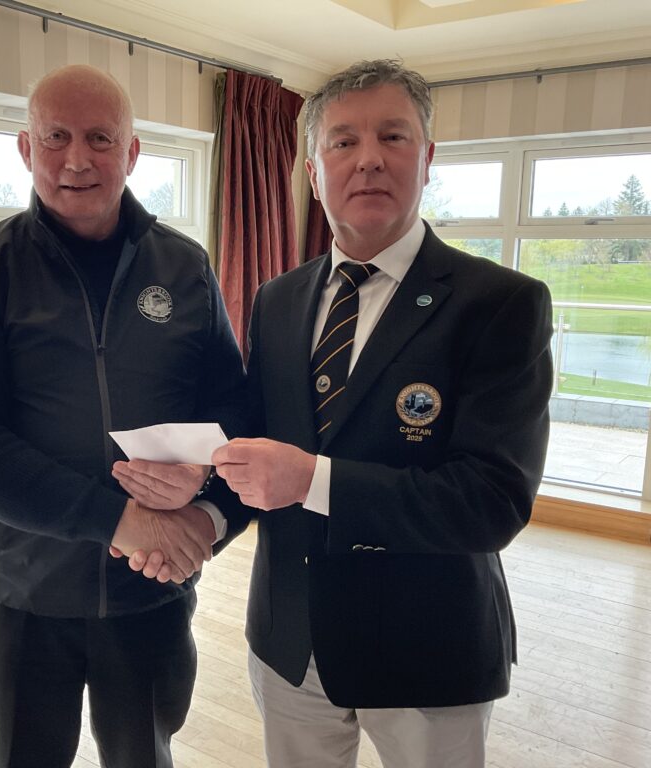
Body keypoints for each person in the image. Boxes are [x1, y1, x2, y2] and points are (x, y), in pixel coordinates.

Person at [124, 59, 554, 767]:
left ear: (428, 158)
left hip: (428, 651)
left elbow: (491, 502)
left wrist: (310, 480)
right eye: (344, 141)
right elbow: (260, 450)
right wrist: (203, 516)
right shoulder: (278, 300)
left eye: (393, 136)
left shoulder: (501, 304)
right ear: (313, 171)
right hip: (291, 642)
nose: (369, 159)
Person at [0, 64, 246, 768]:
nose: (77, 159)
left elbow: (230, 404)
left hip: (151, 590)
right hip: (23, 596)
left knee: (145, 757)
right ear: (26, 148)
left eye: (100, 138)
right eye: (56, 137)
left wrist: (199, 476)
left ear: (131, 152)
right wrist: (117, 519)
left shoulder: (185, 267)